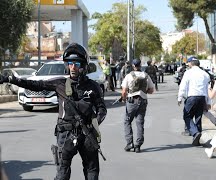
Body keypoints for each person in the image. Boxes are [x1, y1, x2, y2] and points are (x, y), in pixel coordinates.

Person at [0, 43, 107, 179]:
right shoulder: (60, 84)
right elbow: (34, 84)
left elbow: (102, 109)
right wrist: (10, 79)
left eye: (77, 64)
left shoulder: (94, 86)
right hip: (66, 135)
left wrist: (94, 124)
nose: (73, 67)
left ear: (84, 65)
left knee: (92, 172)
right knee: (62, 174)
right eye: (69, 63)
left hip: (87, 134)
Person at [121, 59, 155, 153]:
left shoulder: (128, 76)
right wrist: (144, 91)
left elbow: (124, 91)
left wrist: (123, 99)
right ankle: (138, 145)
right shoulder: (146, 75)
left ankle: (129, 143)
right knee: (140, 123)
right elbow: (151, 90)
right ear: (140, 65)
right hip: (143, 101)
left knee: (127, 121)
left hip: (131, 101)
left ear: (133, 65)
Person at [177, 56, 210, 146]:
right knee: (198, 117)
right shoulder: (205, 74)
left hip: (192, 97)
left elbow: (183, 86)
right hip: (202, 98)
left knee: (187, 116)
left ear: (191, 63)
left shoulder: (188, 73)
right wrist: (208, 102)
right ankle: (197, 138)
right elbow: (208, 89)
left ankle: (195, 133)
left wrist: (179, 97)